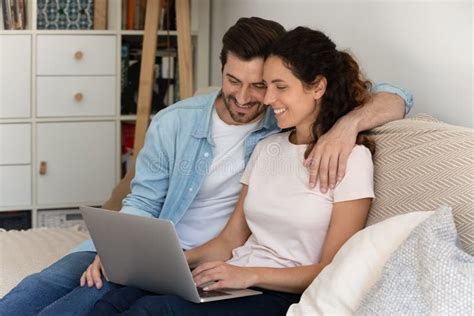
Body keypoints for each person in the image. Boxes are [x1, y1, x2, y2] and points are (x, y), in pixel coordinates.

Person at [0, 17, 412, 315]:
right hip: (156, 248)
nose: (252, 98)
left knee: (97, 303)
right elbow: (142, 201)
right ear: (221, 70)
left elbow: (395, 95)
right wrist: (122, 253)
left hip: (213, 264)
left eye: (264, 85)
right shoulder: (180, 123)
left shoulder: (286, 126)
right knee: (40, 291)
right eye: (236, 81)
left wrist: (347, 126)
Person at [89, 25, 377, 315]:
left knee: (152, 311)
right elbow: (229, 241)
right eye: (268, 86)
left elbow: (333, 270)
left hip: (275, 293)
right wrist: (159, 264)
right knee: (116, 300)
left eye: (280, 87)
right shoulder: (267, 147)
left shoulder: (352, 159)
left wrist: (250, 275)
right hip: (233, 277)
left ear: (318, 87)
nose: (266, 100)